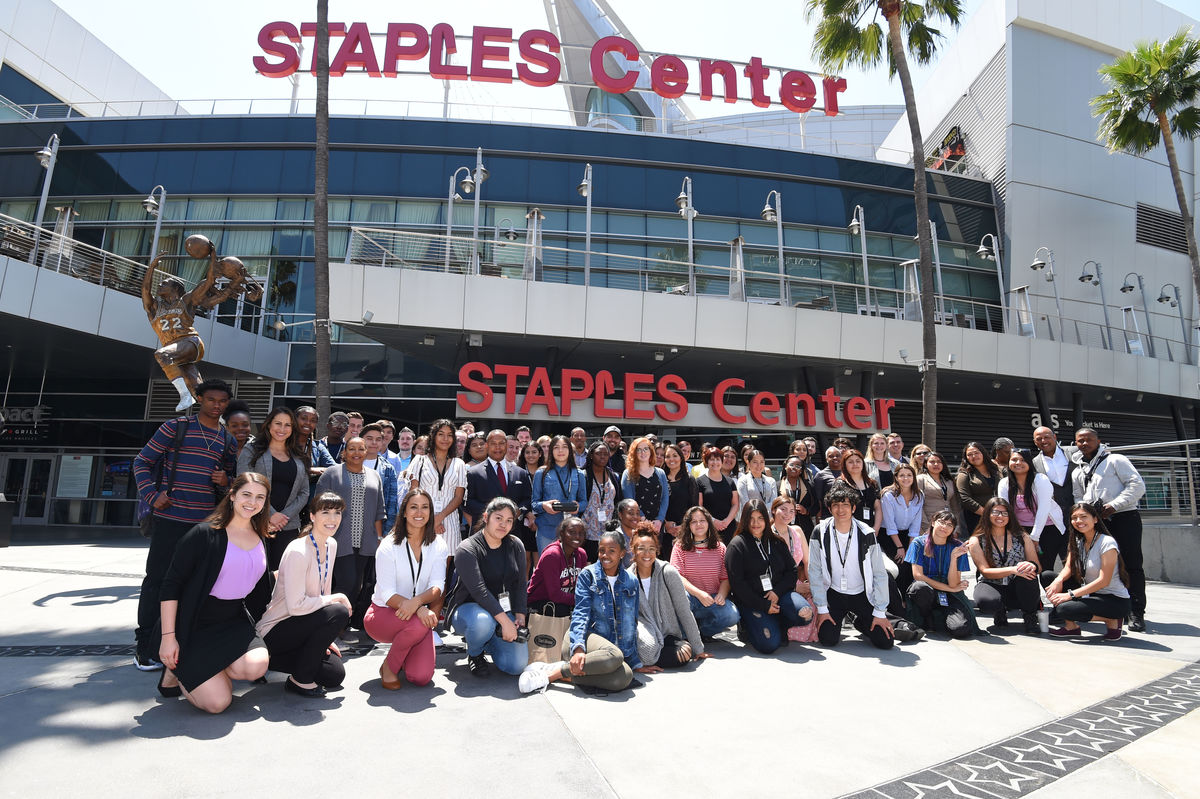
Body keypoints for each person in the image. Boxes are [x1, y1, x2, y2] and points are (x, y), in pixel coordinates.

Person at [132, 378, 237, 670]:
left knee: (192, 584)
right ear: (199, 399)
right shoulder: (175, 427)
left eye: (222, 401)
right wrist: (152, 497)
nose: (217, 405)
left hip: (204, 525)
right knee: (157, 581)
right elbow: (141, 462)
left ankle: (180, 641)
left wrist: (225, 481)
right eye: (211, 399)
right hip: (170, 519)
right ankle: (145, 645)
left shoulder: (227, 439)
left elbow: (228, 479)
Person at [156, 472, 273, 712]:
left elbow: (257, 580)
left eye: (260, 497)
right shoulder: (204, 534)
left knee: (255, 667)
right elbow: (171, 585)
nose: (252, 502)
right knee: (217, 704)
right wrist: (168, 638)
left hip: (233, 620)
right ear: (232, 495)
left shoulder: (261, 536)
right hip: (196, 623)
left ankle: (201, 669)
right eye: (246, 495)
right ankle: (179, 668)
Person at [516, 531, 650, 695]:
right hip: (584, 639)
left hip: (608, 656)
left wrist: (636, 662)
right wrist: (578, 648)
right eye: (602, 550)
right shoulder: (589, 575)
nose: (605, 555)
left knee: (624, 677)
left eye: (612, 551)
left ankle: (563, 672)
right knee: (614, 655)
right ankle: (550, 675)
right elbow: (581, 613)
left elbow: (631, 623)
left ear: (622, 553)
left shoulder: (631, 581)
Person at [256, 492, 352, 697]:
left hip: (303, 625)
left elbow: (323, 592)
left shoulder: (331, 544)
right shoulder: (298, 550)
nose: (332, 519)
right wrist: (338, 598)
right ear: (312, 516)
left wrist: (325, 637)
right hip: (277, 629)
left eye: (337, 513)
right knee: (339, 610)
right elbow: (296, 606)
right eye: (325, 512)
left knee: (334, 675)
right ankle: (300, 680)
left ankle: (273, 664)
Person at [363, 488, 448, 688]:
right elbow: (387, 593)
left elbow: (438, 585)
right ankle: (390, 667)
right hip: (383, 613)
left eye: (425, 507)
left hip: (416, 617)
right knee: (421, 624)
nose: (419, 513)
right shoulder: (388, 545)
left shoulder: (439, 545)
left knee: (421, 677)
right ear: (404, 512)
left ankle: (405, 649)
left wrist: (417, 603)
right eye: (414, 507)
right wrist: (419, 609)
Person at [1070, 427, 1147, 631]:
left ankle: (1136, 612)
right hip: (1097, 522)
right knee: (1102, 565)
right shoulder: (1078, 470)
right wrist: (1085, 512)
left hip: (1123, 517)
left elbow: (1137, 486)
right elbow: (1078, 496)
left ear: (1099, 440)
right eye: (1080, 441)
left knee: (1132, 564)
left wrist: (1114, 505)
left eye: (1088, 439)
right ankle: (1110, 607)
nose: (1084, 443)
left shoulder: (1116, 460)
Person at [445, 497, 530, 677]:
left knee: (516, 666)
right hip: (470, 610)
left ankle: (489, 642)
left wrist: (520, 615)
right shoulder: (467, 548)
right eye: (498, 518)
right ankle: (475, 653)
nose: (503, 524)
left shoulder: (516, 545)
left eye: (509, 520)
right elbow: (479, 592)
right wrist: (506, 622)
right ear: (486, 517)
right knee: (484, 623)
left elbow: (521, 584)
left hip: (502, 610)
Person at [808, 483, 896, 650]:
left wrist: (880, 612)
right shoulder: (819, 531)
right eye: (836, 505)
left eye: (845, 505)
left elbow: (879, 573)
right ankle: (844, 618)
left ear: (853, 508)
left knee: (885, 642)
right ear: (829, 508)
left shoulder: (867, 533)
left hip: (861, 593)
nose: (841, 510)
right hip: (834, 593)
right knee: (827, 639)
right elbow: (814, 571)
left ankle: (861, 621)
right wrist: (822, 609)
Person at [314, 436, 384, 634]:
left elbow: (380, 510)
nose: (356, 453)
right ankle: (336, 627)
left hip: (366, 540)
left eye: (360, 449)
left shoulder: (374, 476)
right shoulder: (331, 474)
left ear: (366, 452)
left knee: (361, 584)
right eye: (351, 449)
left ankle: (347, 622)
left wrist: (378, 539)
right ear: (344, 452)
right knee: (347, 582)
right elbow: (319, 506)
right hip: (337, 540)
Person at [724, 499, 813, 654]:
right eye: (751, 518)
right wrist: (764, 605)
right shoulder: (737, 546)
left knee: (806, 614)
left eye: (760, 518)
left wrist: (777, 592)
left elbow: (792, 571)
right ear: (745, 520)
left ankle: (780, 623)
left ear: (766, 519)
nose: (755, 523)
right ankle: (748, 626)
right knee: (769, 645)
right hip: (751, 601)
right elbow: (738, 585)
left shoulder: (776, 541)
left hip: (778, 594)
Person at [141, 247, 222, 411]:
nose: (159, 284)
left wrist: (213, 256)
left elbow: (207, 282)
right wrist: (151, 267)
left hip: (190, 343)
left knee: (161, 354)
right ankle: (225, 421)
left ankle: (184, 396)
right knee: (198, 390)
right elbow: (145, 290)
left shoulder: (185, 300)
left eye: (165, 283)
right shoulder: (154, 308)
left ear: (176, 288)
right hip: (175, 352)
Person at [1042, 502, 1132, 641]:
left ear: (1095, 519)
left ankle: (1112, 619)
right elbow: (1069, 567)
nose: (1078, 521)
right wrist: (1058, 581)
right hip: (1090, 593)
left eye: (1083, 516)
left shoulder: (1107, 542)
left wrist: (1069, 595)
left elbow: (1104, 581)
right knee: (1048, 576)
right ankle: (1071, 628)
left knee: (1064, 609)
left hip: (1113, 600)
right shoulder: (1077, 541)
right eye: (1074, 517)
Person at [237, 406, 311, 570]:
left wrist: (283, 516)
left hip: (288, 526)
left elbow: (304, 492)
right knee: (255, 573)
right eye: (278, 423)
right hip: (255, 522)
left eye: (287, 425)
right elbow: (243, 484)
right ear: (269, 425)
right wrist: (270, 515)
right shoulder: (252, 449)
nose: (282, 429)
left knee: (282, 576)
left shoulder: (299, 455)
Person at [628, 524, 707, 668]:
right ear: (633, 550)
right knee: (648, 648)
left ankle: (651, 659)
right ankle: (640, 661)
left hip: (667, 633)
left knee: (684, 652)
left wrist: (698, 648)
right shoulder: (627, 577)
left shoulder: (668, 572)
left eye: (651, 549)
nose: (647, 554)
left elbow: (684, 611)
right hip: (643, 631)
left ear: (657, 550)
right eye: (641, 549)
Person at [967, 497, 1041, 634]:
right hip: (992, 582)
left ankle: (1030, 616)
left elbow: (1037, 566)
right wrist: (1013, 569)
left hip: (1017, 584)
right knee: (987, 602)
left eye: (1005, 513)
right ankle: (999, 611)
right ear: (987, 514)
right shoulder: (976, 540)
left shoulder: (1022, 536)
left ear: (1010, 516)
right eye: (995, 512)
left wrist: (1031, 566)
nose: (1000, 516)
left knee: (1029, 575)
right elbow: (985, 571)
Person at [904, 510, 980, 639]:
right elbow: (918, 576)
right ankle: (927, 616)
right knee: (919, 588)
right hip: (928, 589)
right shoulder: (918, 543)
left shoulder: (957, 547)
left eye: (950, 525)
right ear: (933, 522)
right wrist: (950, 589)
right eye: (942, 522)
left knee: (961, 629)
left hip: (949, 593)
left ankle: (941, 618)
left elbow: (953, 583)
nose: (945, 527)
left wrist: (954, 557)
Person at [670, 506, 739, 639]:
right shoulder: (680, 546)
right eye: (694, 522)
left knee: (732, 615)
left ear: (709, 523)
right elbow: (677, 576)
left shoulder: (720, 548)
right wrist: (700, 594)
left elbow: (725, 577)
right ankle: (686, 637)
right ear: (688, 525)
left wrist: (721, 595)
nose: (699, 524)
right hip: (689, 598)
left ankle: (702, 632)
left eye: (702, 520)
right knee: (679, 600)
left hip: (712, 599)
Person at [998, 448, 1065, 573]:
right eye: (1014, 460)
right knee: (1026, 567)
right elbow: (1005, 509)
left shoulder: (1040, 479)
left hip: (1047, 527)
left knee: (1046, 568)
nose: (1018, 463)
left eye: (1023, 460)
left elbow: (1044, 509)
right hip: (1020, 529)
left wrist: (1034, 537)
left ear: (1029, 462)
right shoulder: (1004, 483)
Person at [408, 418, 468, 555]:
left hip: (449, 522)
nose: (445, 438)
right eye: (441, 434)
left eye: (449, 435)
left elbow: (459, 497)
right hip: (421, 519)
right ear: (433, 436)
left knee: (443, 569)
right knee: (420, 565)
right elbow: (413, 494)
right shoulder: (419, 461)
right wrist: (431, 521)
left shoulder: (459, 464)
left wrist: (439, 518)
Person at [770, 497, 819, 644]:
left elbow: (807, 561)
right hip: (776, 584)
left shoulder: (797, 531)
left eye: (791, 511)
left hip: (797, 580)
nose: (787, 514)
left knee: (814, 598)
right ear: (773, 510)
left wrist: (811, 585)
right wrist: (794, 587)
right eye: (783, 509)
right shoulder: (767, 533)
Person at [531, 435, 588, 554]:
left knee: (569, 569)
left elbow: (584, 502)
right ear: (551, 450)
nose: (560, 451)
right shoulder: (541, 472)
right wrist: (544, 505)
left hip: (572, 531)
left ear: (570, 450)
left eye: (564, 447)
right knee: (548, 568)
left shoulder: (579, 473)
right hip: (547, 529)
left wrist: (578, 507)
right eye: (556, 447)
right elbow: (534, 504)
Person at [1032, 425, 1076, 569]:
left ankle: (1077, 589)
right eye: (1039, 439)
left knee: (1075, 557)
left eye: (1047, 437)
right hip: (1052, 518)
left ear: (1055, 437)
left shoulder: (1074, 452)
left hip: (1077, 512)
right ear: (1034, 442)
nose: (1043, 441)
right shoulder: (1034, 463)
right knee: (1048, 559)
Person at [527, 517, 588, 615]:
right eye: (572, 532)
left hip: (565, 602)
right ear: (562, 533)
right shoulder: (552, 555)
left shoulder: (581, 554)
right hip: (540, 603)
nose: (577, 536)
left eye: (581, 533)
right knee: (566, 610)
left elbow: (580, 586)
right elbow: (555, 595)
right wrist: (583, 599)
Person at [879, 463, 922, 591]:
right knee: (900, 565)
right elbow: (890, 524)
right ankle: (900, 600)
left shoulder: (919, 496)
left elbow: (915, 525)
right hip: (888, 535)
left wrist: (910, 548)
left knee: (911, 563)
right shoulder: (889, 495)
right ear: (896, 477)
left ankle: (910, 599)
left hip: (908, 535)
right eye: (902, 475)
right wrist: (900, 547)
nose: (906, 478)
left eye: (909, 475)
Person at [582, 440, 623, 562]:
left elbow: (618, 501)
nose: (603, 456)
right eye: (599, 453)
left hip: (608, 530)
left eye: (606, 454)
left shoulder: (614, 476)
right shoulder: (583, 475)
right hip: (587, 530)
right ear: (591, 455)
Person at [621, 436, 669, 534]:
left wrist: (660, 520)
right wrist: (643, 520)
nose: (643, 452)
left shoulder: (660, 473)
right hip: (637, 524)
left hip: (657, 525)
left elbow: (665, 497)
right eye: (639, 450)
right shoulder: (628, 474)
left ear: (651, 451)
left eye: (646, 449)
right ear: (634, 453)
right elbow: (629, 500)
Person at [361, 422, 400, 536]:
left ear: (383, 442)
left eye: (378, 439)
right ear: (361, 439)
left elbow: (392, 503)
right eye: (369, 438)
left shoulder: (388, 469)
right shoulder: (351, 462)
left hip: (377, 525)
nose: (374, 443)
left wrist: (385, 533)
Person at [696, 446, 739, 544]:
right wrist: (713, 521)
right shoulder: (699, 481)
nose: (715, 462)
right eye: (711, 459)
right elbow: (699, 505)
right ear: (707, 462)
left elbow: (735, 504)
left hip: (729, 527)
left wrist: (727, 521)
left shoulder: (730, 481)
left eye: (718, 459)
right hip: (708, 527)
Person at [661, 443, 698, 557]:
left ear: (681, 458)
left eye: (675, 455)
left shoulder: (689, 479)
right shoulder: (660, 478)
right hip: (664, 532)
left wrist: (683, 526)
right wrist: (665, 525)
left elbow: (694, 507)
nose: (671, 459)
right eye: (667, 456)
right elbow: (657, 505)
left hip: (685, 531)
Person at [955, 441, 1000, 533]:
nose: (974, 456)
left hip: (998, 514)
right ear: (966, 458)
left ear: (983, 453)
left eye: (976, 453)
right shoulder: (964, 474)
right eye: (970, 454)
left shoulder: (995, 469)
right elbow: (964, 498)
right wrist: (986, 513)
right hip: (976, 517)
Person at [839, 449, 881, 533]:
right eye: (850, 462)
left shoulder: (872, 483)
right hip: (849, 530)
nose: (855, 464)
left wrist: (876, 529)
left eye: (858, 461)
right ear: (845, 465)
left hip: (870, 529)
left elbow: (878, 508)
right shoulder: (840, 484)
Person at [916, 451, 961, 528]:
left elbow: (955, 506)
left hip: (948, 524)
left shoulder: (949, 481)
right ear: (926, 464)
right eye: (932, 462)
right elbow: (917, 505)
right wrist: (926, 526)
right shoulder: (920, 479)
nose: (936, 464)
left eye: (939, 462)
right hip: (928, 523)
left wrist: (956, 527)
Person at [778, 454, 817, 536]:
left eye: (798, 466)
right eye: (791, 465)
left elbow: (816, 507)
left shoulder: (809, 486)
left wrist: (806, 511)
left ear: (801, 470)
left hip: (805, 529)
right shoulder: (777, 486)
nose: (794, 468)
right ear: (785, 466)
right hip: (783, 528)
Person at [811, 446, 843, 515]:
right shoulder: (821, 475)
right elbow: (818, 500)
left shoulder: (848, 472)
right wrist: (819, 517)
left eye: (837, 455)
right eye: (831, 456)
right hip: (828, 513)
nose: (835, 458)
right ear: (826, 459)